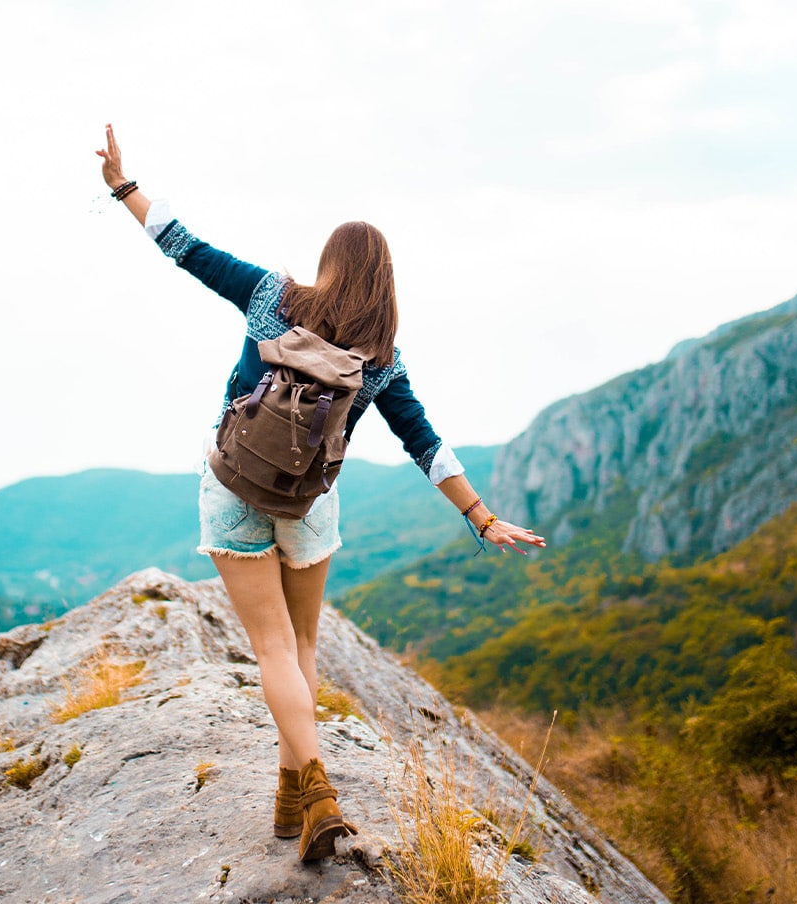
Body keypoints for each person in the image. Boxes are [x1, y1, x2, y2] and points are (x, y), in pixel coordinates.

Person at [95, 124, 546, 862]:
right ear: (385, 279)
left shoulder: (273, 296)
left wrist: (122, 186)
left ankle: (317, 794)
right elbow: (425, 445)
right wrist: (481, 516)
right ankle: (291, 798)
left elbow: (183, 244)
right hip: (310, 504)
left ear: (330, 264)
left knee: (270, 649)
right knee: (301, 647)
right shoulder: (382, 360)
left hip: (234, 486)